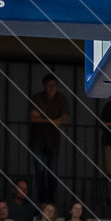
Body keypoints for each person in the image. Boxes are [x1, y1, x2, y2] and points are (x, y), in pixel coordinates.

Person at [28, 74, 68, 203]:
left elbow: (64, 119)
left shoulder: (61, 98)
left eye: (54, 85)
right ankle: (42, 201)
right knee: (40, 170)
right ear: (44, 86)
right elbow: (33, 118)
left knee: (52, 172)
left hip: (54, 140)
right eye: (49, 85)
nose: (52, 88)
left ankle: (51, 202)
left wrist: (43, 119)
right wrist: (53, 120)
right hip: (38, 138)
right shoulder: (37, 98)